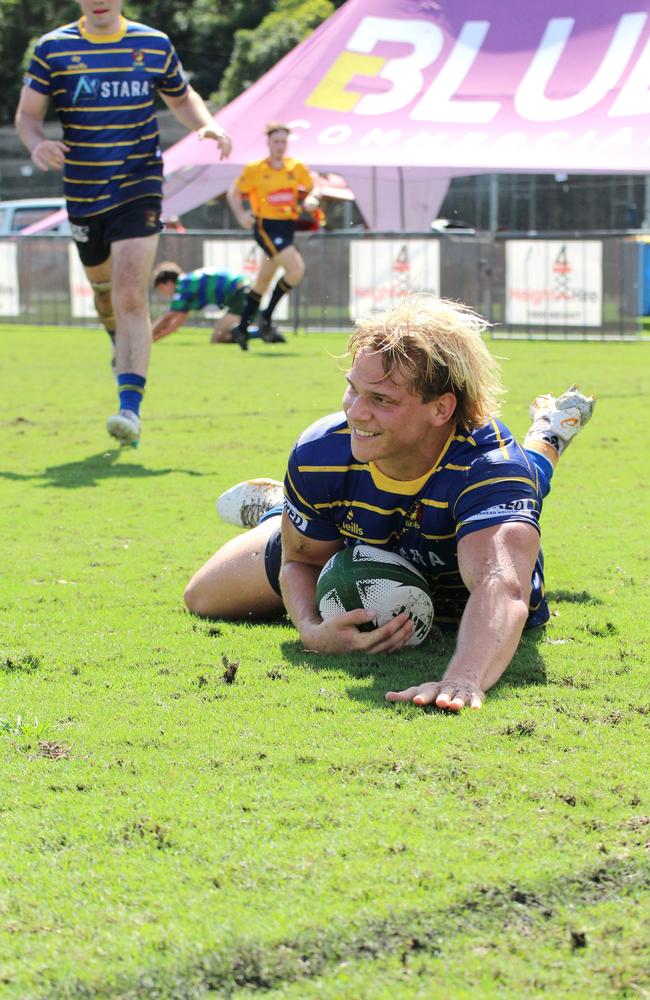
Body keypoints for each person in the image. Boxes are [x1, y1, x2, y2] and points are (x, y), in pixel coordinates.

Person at [183, 296, 595, 713]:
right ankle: (282, 509)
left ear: (441, 408)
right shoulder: (322, 451)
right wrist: (311, 629)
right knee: (202, 598)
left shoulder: (491, 469)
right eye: (353, 389)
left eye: (381, 400)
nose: (356, 413)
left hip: (468, 522)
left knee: (525, 478)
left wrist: (463, 679)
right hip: (350, 544)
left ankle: (547, 434)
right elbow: (301, 562)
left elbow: (501, 586)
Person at [15, 0, 231, 447]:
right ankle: (118, 339)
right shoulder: (53, 49)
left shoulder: (152, 43)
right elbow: (28, 116)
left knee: (131, 291)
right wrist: (37, 144)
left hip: (139, 185)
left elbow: (181, 95)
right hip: (83, 189)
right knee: (103, 291)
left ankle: (129, 407)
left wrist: (206, 124)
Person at [226, 122, 319, 351]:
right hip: (266, 227)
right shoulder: (255, 168)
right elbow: (234, 192)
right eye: (276, 141)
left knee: (263, 281)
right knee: (296, 270)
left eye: (283, 141)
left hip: (287, 226)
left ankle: (242, 327)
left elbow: (314, 187)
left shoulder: (295, 167)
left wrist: (312, 199)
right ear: (268, 143)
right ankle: (266, 318)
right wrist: (240, 214)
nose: (280, 146)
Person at [151, 262, 286, 344]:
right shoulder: (187, 283)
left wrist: (150, 339)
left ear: (168, 283)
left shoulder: (183, 285)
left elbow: (169, 319)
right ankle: (261, 331)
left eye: (161, 289)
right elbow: (177, 321)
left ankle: (261, 332)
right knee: (220, 336)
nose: (163, 293)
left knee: (218, 338)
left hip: (240, 296)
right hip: (241, 294)